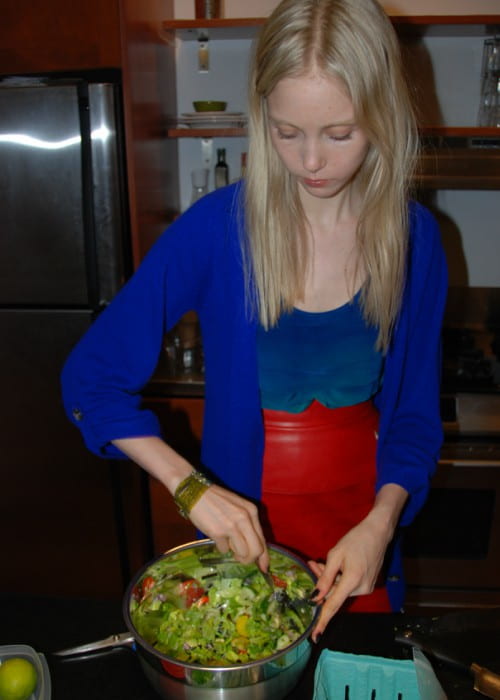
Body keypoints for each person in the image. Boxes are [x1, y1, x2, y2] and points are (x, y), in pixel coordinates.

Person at [61, 0, 447, 641]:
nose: (311, 162)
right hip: (244, 556)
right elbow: (90, 381)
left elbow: (412, 420)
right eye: (286, 131)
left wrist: (382, 524)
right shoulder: (218, 229)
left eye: (340, 133)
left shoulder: (414, 239)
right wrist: (191, 489)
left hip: (362, 541)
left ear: (383, 118)